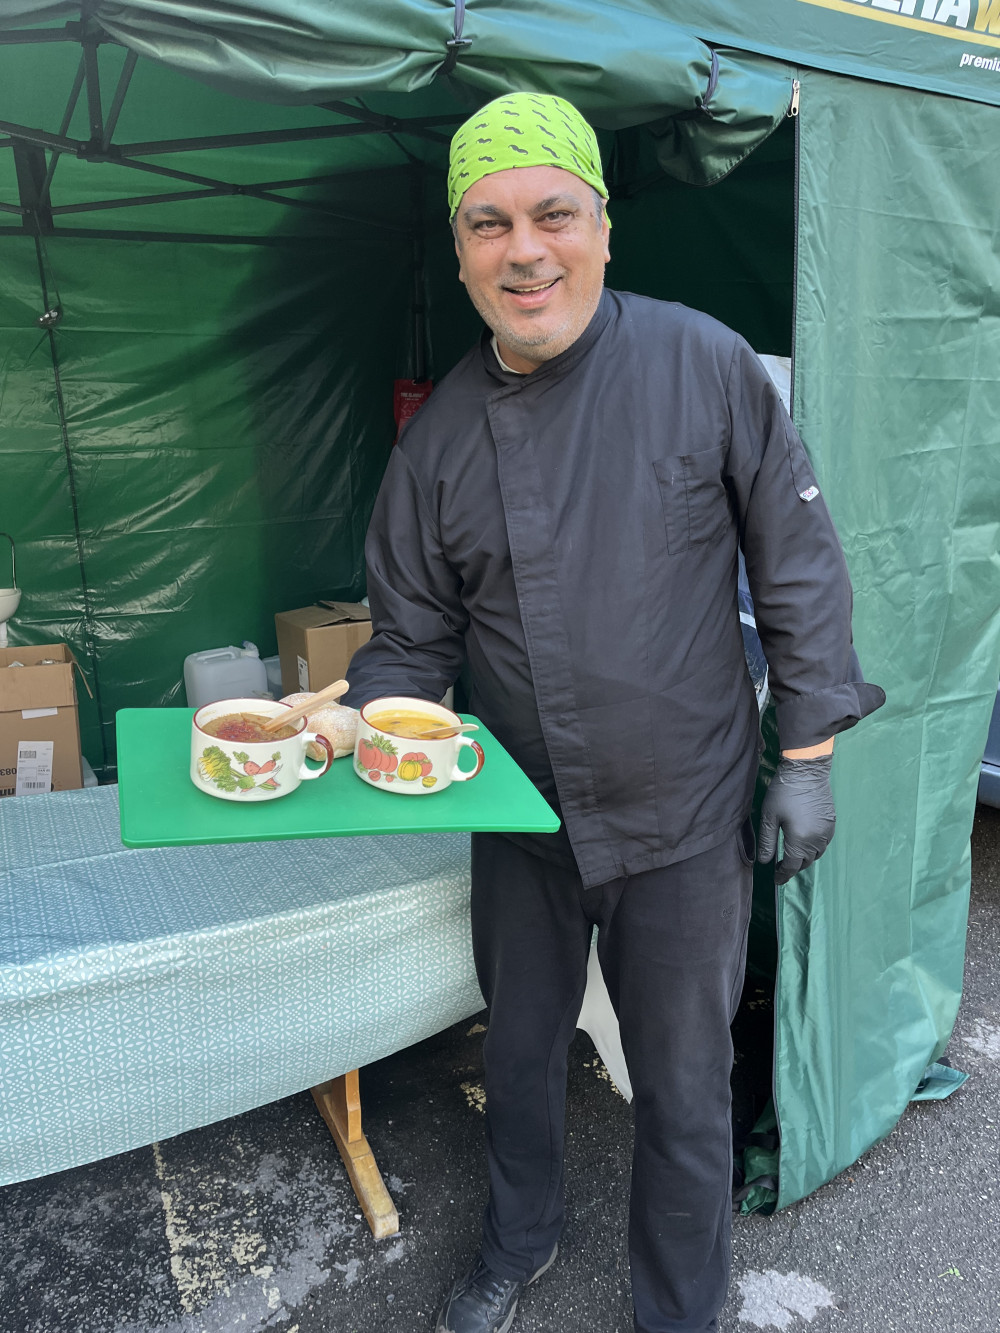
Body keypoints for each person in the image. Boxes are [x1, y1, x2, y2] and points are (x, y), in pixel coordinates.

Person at [343, 92, 884, 1333]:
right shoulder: (437, 448)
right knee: (519, 1061)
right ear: (461, 246)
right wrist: (363, 719)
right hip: (522, 817)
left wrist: (803, 751)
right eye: (488, 224)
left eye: (551, 215)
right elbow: (410, 640)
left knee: (686, 1091)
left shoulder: (703, 362)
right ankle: (516, 1243)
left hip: (682, 814)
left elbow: (797, 563)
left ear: (599, 226)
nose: (523, 249)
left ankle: (679, 1308)